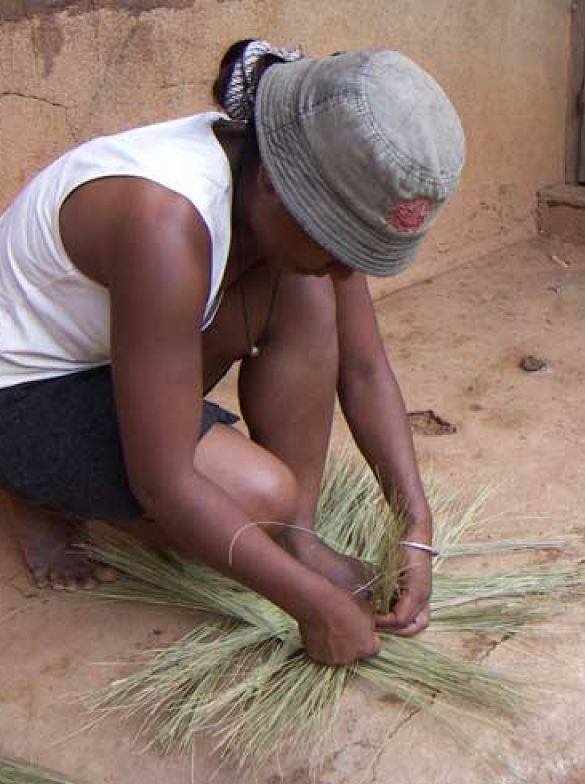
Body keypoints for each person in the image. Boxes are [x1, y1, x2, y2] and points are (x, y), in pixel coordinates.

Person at [0, 40, 464, 666]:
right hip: (26, 393)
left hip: (118, 353)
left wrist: (415, 524)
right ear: (278, 184)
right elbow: (163, 483)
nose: (348, 267)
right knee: (257, 499)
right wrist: (311, 605)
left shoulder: (280, 186)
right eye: (340, 241)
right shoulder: (162, 220)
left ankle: (294, 537)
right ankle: (31, 491)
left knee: (309, 287)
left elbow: (363, 367)